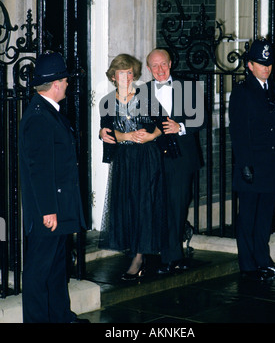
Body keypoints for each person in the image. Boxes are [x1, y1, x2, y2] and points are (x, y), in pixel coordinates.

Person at [19, 51, 88, 323]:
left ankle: (61, 317)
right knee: (38, 271)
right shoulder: (39, 117)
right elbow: (40, 170)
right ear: (56, 83)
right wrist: (48, 209)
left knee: (58, 266)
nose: (68, 84)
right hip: (50, 209)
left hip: (61, 205)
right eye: (65, 80)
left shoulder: (48, 111)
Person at [99, 54, 167, 280]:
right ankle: (133, 250)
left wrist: (151, 137)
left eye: (129, 73)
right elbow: (107, 132)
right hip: (124, 159)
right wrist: (125, 135)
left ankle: (139, 256)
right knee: (127, 204)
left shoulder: (146, 97)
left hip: (146, 157)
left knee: (144, 205)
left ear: (135, 75)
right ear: (113, 76)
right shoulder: (107, 102)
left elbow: (162, 125)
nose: (126, 77)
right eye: (121, 73)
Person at [229, 39, 275, 281]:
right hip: (253, 165)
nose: (266, 68)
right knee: (248, 216)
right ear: (249, 65)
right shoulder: (242, 92)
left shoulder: (273, 89)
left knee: (265, 216)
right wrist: (245, 164)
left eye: (269, 64)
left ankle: (263, 262)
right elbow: (239, 131)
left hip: (272, 164)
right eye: (261, 64)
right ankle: (248, 265)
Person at [146, 48, 204, 274]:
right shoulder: (143, 92)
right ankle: (160, 255)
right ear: (149, 69)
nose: (159, 70)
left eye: (163, 64)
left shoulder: (188, 86)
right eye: (154, 66)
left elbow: (202, 118)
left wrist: (181, 127)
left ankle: (174, 256)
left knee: (178, 205)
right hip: (154, 158)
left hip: (181, 158)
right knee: (157, 206)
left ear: (170, 64)